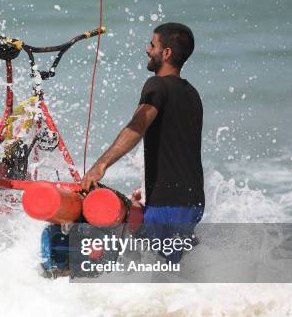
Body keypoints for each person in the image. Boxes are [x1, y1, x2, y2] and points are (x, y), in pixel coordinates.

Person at [82, 22, 204, 263]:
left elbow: (136, 127)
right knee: (172, 266)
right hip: (191, 202)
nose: (147, 50)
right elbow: (176, 147)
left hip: (168, 205)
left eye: (152, 45)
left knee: (159, 273)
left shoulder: (157, 85)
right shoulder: (191, 93)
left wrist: (100, 166)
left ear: (166, 52)